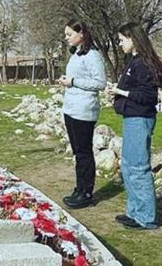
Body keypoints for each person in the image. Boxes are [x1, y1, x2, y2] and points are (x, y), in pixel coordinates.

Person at [108, 22, 162, 230]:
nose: (119, 44)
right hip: (131, 118)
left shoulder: (142, 64)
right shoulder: (134, 61)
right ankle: (134, 212)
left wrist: (121, 92)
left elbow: (148, 96)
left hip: (139, 119)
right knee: (128, 166)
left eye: (121, 40)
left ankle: (146, 217)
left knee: (137, 167)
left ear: (132, 39)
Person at [58, 20, 107, 209]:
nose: (66, 38)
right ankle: (79, 188)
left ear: (82, 33)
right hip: (71, 108)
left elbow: (100, 83)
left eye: (69, 34)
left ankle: (87, 192)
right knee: (78, 152)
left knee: (84, 152)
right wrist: (67, 81)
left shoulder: (92, 55)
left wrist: (73, 81)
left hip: (84, 110)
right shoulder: (76, 54)